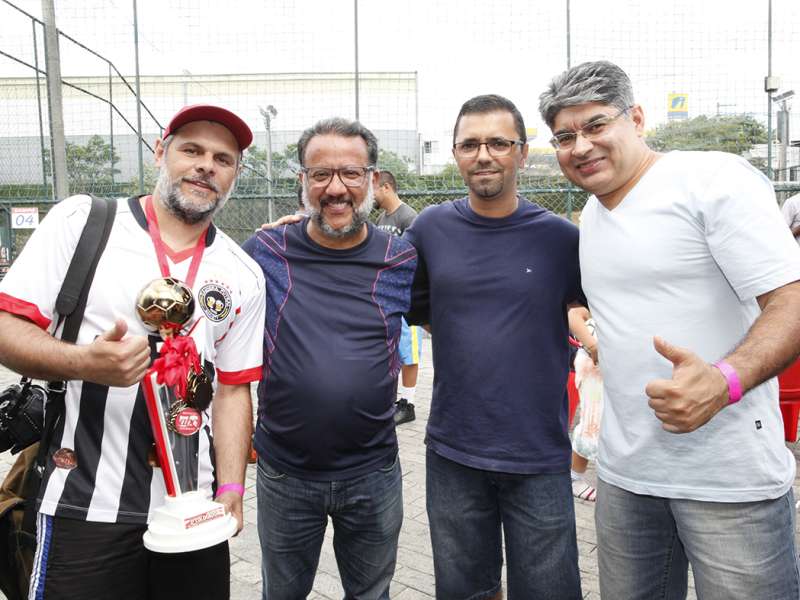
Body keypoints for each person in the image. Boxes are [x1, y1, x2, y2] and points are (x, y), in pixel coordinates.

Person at [540, 60, 800, 600]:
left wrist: (724, 380)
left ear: (636, 118)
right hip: (625, 478)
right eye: (565, 135)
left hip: (730, 484)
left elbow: (791, 301)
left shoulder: (711, 180)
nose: (581, 145)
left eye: (595, 125)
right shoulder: (591, 217)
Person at [0, 104, 265, 599]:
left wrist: (231, 490)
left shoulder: (243, 271)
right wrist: (82, 362)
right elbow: (5, 327)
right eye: (192, 150)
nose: (206, 165)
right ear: (161, 153)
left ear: (235, 175)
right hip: (82, 501)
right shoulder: (83, 222)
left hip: (194, 509)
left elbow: (232, 391)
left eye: (223, 158)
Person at [404, 94, 583, 600]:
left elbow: (600, 308)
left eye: (498, 143)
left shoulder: (561, 239)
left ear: (523, 153)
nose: (483, 155)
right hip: (454, 451)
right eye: (470, 144)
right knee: (463, 591)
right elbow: (407, 300)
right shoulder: (431, 230)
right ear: (456, 154)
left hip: (539, 454)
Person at [242, 118, 416, 600]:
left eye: (350, 174)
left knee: (371, 594)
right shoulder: (264, 250)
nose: (336, 188)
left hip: (373, 473)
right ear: (302, 182)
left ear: (373, 181)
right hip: (284, 473)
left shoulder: (401, 259)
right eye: (320, 175)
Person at [374, 169, 421, 425]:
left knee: (409, 349)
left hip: (407, 293)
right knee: (394, 348)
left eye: (375, 189)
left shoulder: (408, 216)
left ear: (386, 187)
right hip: (387, 294)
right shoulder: (382, 217)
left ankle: (409, 403)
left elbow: (415, 256)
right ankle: (395, 400)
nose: (371, 194)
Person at [567, 306, 602, 502]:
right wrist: (593, 346)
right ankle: (574, 477)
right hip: (594, 365)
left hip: (608, 365)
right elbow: (573, 314)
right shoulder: (598, 299)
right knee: (592, 422)